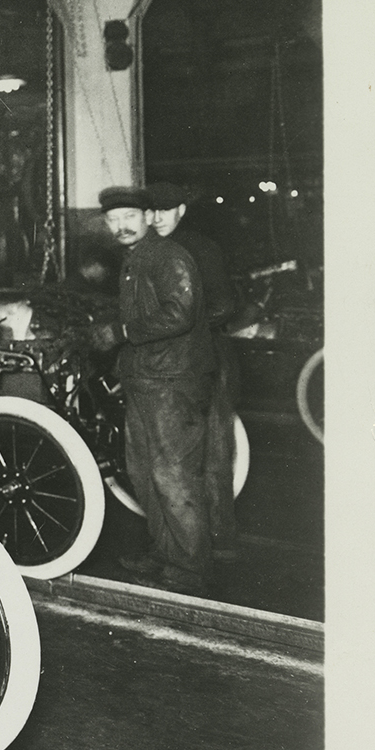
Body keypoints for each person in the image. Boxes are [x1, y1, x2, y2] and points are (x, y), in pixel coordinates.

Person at [88, 186, 216, 593]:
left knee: (173, 474)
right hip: (147, 380)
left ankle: (191, 568)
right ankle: (165, 554)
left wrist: (123, 331)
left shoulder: (167, 256)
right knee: (145, 473)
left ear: (147, 218)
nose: (122, 225)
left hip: (171, 383)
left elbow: (181, 312)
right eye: (113, 219)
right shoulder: (136, 259)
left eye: (130, 216)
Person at [148, 183, 241, 561]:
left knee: (214, 452)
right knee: (186, 458)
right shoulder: (155, 251)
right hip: (186, 358)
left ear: (181, 210)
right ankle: (197, 545)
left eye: (165, 210)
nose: (157, 218)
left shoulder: (199, 248)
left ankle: (220, 544)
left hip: (211, 357)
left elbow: (224, 305)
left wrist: (188, 330)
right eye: (151, 212)